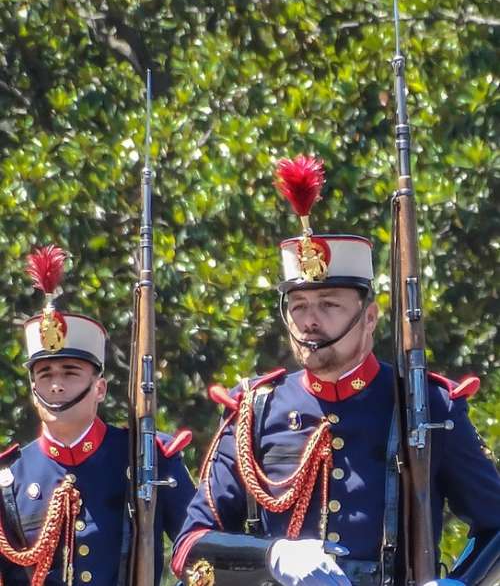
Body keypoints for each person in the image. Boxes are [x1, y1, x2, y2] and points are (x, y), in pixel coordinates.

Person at [171, 155, 500, 586]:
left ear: (369, 317)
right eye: (299, 306)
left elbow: (496, 524)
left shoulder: (425, 404)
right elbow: (190, 547)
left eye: (329, 305)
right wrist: (273, 556)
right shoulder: (256, 410)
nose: (310, 321)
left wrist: (457, 583)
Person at [0, 244, 195, 585]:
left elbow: (198, 554)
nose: (57, 386)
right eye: (45, 375)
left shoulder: (148, 456)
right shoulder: (10, 479)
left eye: (70, 372)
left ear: (100, 389)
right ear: (33, 391)